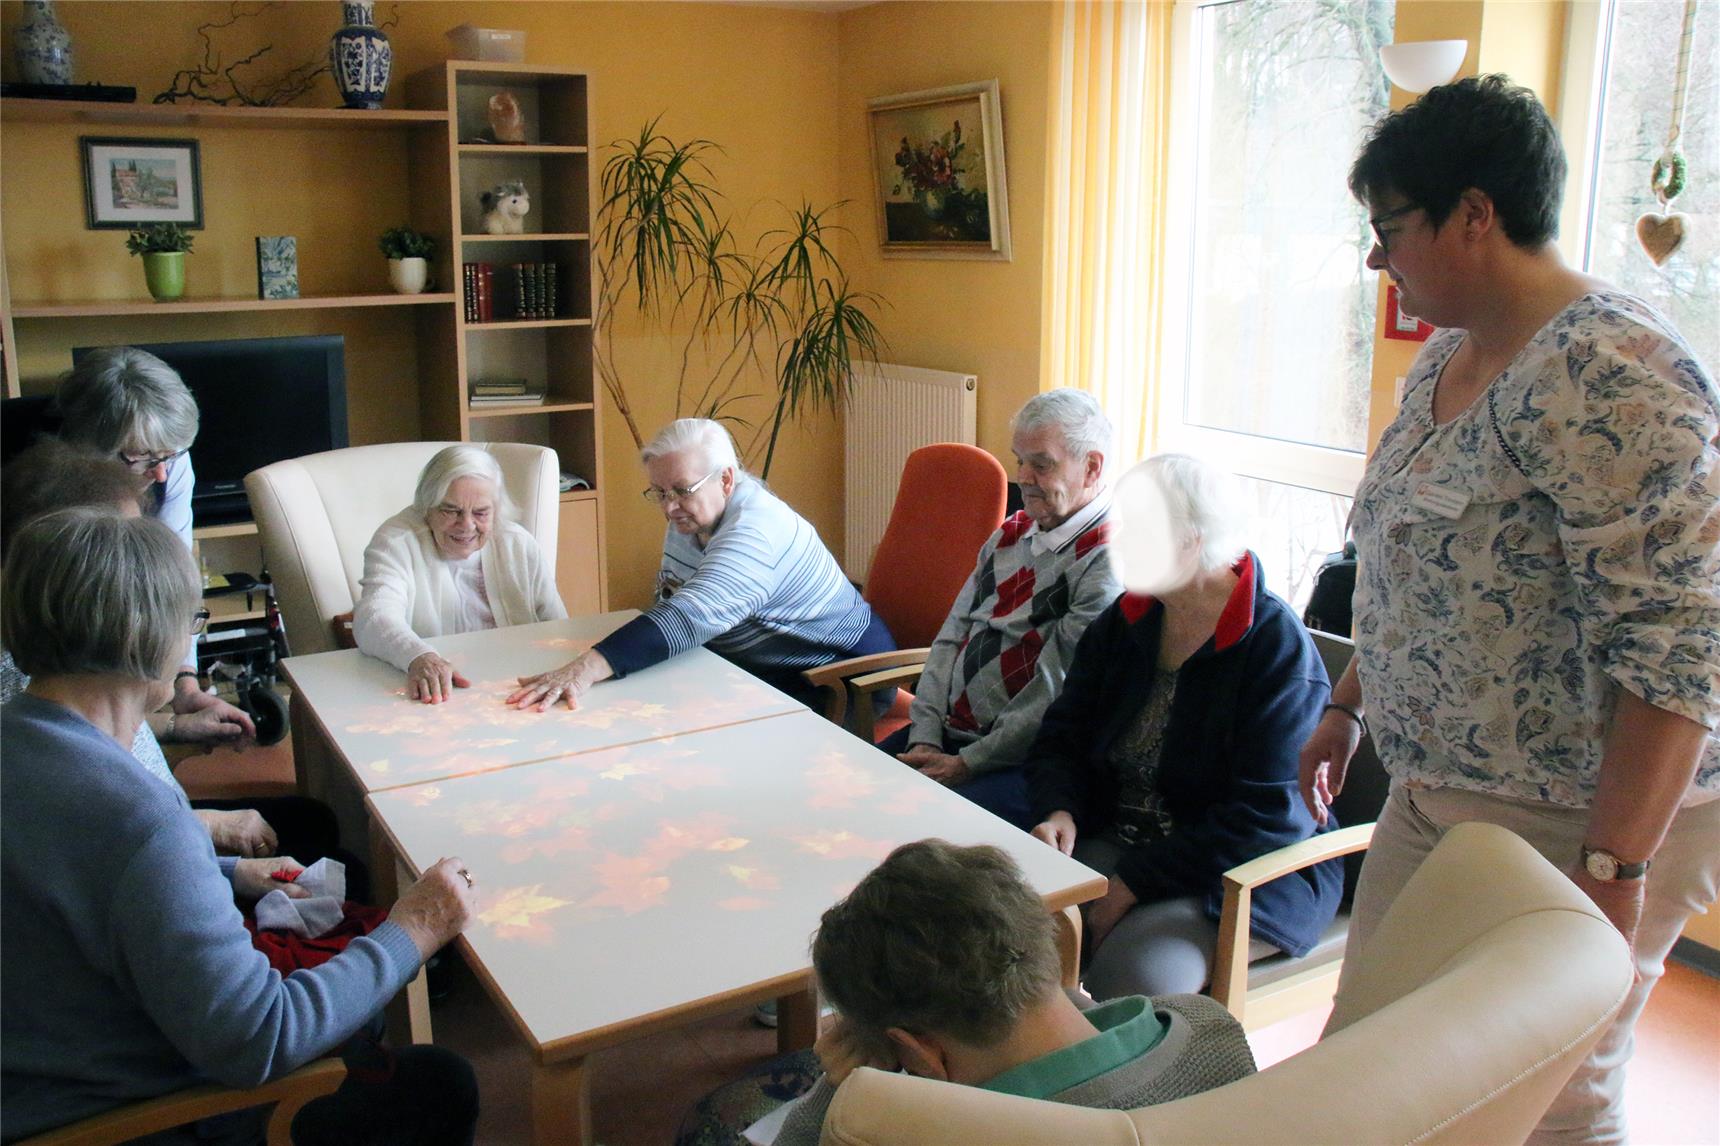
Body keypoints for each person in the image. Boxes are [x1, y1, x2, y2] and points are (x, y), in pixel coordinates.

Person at [1299, 75, 1719, 1146]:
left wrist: (1612, 871)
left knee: (1545, 1093)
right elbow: (1397, 552)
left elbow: (1681, 652)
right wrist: (1349, 703)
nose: (1375, 258)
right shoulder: (1447, 352)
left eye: (1389, 229)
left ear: (1474, 214)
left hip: (1576, 812)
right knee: (1366, 1056)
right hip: (1437, 785)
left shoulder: (1615, 372)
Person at [0, 508, 481, 1144]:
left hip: (35, 1074)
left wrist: (220, 873)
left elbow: (92, 887)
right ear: (148, 637)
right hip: (124, 1117)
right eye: (192, 622)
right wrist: (413, 930)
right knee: (438, 1083)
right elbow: (264, 1037)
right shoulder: (140, 819)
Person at [676, 839, 1257, 1146]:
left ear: (921, 1053)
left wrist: (838, 1090)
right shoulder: (1208, 1027)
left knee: (712, 1119)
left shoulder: (903, 1130)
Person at [1027, 455, 1340, 998]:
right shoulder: (1125, 620)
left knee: (1134, 982)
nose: (1116, 542)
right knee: (1004, 933)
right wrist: (1061, 808)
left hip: (1236, 874)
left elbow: (1270, 815)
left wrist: (1134, 883)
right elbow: (1062, 736)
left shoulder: (1275, 649)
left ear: (1192, 541)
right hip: (1117, 839)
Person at [0, 439, 366, 891]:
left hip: (171, 842)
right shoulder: (25, 679)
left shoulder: (67, 671)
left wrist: (177, 728)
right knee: (351, 870)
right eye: (132, 551)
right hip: (167, 858)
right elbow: (111, 836)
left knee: (316, 824)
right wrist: (209, 832)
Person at [508, 418, 893, 711]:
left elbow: (691, 616)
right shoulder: (696, 514)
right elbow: (670, 597)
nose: (668, 506)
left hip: (836, 678)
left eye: (680, 490)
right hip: (758, 667)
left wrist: (586, 668)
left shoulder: (758, 531)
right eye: (659, 492)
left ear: (726, 479)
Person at [879, 388, 1121, 829]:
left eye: (1041, 464)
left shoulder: (1108, 558)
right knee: (850, 788)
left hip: (1026, 761)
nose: (1023, 476)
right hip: (951, 738)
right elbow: (952, 636)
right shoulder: (1010, 535)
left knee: (916, 832)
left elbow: (1053, 688)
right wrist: (926, 736)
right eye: (1019, 460)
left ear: (1092, 468)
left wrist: (968, 762)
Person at [52, 345, 256, 744]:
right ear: (89, 447)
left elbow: (174, 574)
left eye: (171, 455)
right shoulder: (43, 500)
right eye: (142, 457)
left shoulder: (168, 461)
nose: (162, 473)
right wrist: (168, 727)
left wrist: (186, 683)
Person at [354, 444, 567, 704]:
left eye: (480, 512)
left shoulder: (518, 544)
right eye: (451, 510)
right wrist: (420, 656)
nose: (466, 525)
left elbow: (559, 629)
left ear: (496, 510)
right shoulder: (396, 542)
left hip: (517, 691)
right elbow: (373, 618)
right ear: (427, 507)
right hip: (435, 696)